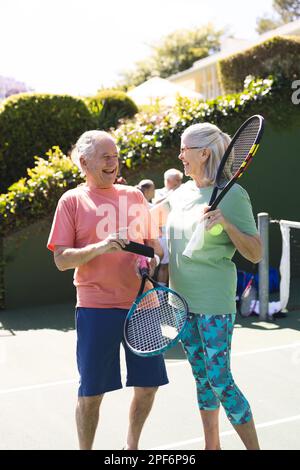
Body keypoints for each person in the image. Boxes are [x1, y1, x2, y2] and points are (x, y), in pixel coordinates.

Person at [47, 130, 167, 450]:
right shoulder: (71, 201)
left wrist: (150, 262)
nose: (113, 162)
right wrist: (100, 247)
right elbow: (61, 260)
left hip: (144, 305)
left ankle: (132, 447)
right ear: (85, 162)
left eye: (115, 156)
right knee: (91, 393)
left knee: (148, 386)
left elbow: (153, 248)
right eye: (105, 157)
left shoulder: (135, 196)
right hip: (96, 307)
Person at [151, 122, 262, 450]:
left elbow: (255, 252)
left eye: (184, 149)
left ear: (204, 153)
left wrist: (225, 223)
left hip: (214, 304)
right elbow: (156, 226)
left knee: (220, 381)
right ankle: (211, 446)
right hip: (181, 304)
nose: (180, 155)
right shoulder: (181, 193)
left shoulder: (233, 195)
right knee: (202, 379)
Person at [153, 169, 183, 286]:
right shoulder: (158, 192)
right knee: (156, 264)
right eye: (177, 180)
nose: (180, 182)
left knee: (170, 266)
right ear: (170, 181)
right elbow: (156, 204)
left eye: (180, 180)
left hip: (177, 234)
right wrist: (172, 194)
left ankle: (163, 294)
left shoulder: (183, 193)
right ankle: (158, 296)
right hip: (161, 236)